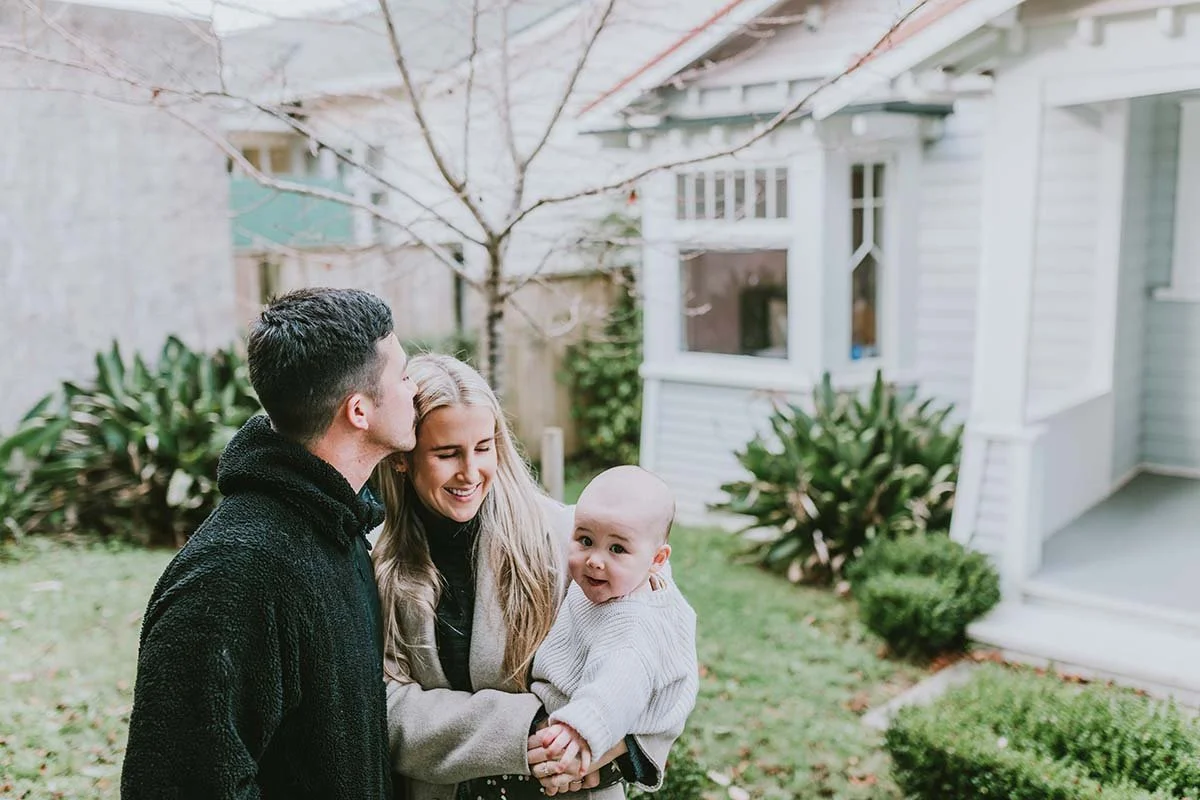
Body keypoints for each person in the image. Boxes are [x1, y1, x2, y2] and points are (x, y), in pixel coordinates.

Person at [121, 288, 416, 800]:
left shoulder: (339, 532)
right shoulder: (233, 576)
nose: (416, 391)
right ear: (359, 410)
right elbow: (180, 781)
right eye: (404, 376)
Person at [372, 355, 683, 800]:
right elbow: (380, 708)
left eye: (484, 447)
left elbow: (656, 657)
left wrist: (618, 746)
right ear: (403, 458)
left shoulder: (577, 541)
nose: (471, 471)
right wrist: (531, 730)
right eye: (446, 453)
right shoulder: (374, 560)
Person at [529, 466, 699, 796]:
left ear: (657, 559)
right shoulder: (620, 580)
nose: (595, 560)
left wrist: (576, 729)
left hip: (582, 743)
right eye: (585, 540)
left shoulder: (633, 626)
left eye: (617, 549)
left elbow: (617, 687)